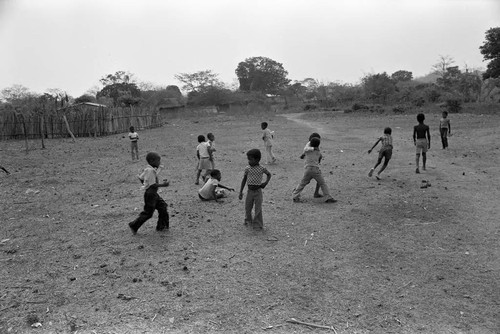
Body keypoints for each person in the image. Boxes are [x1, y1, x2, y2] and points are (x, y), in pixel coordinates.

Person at [129, 152, 170, 234]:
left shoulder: (148, 169)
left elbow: (141, 178)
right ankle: (134, 225)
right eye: (158, 161)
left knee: (163, 207)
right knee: (148, 213)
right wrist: (164, 185)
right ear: (152, 161)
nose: (159, 163)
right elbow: (153, 185)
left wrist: (146, 185)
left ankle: (162, 226)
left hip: (152, 194)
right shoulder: (150, 170)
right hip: (151, 195)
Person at [292, 137, 337, 203]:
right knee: (322, 183)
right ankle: (328, 197)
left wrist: (302, 155)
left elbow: (304, 152)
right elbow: (319, 158)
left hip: (307, 169)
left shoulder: (307, 151)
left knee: (302, 183)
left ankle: (295, 196)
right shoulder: (318, 152)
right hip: (315, 169)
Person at [238, 149, 272, 229]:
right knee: (248, 207)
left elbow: (269, 174)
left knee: (258, 208)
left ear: (257, 160)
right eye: (248, 159)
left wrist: (265, 183)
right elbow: (244, 179)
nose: (249, 161)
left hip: (258, 191)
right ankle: (248, 220)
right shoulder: (247, 168)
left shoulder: (261, 168)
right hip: (249, 191)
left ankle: (258, 223)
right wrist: (240, 191)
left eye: (251, 159)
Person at [300, 132, 323, 198]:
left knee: (318, 180)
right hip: (310, 166)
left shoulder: (315, 144)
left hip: (314, 166)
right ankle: (296, 191)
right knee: (305, 181)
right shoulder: (309, 144)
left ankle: (316, 193)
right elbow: (306, 149)